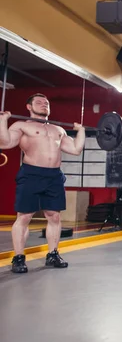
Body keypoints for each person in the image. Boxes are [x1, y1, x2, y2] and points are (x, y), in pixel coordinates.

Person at [0, 93, 84, 273]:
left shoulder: (58, 129)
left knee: (54, 217)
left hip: (54, 176)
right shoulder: (21, 125)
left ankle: (53, 254)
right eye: (38, 102)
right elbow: (5, 143)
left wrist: (81, 131)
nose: (43, 105)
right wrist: (3, 120)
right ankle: (18, 258)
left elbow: (76, 149)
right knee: (24, 217)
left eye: (46, 103)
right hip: (31, 174)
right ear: (29, 107)